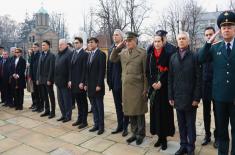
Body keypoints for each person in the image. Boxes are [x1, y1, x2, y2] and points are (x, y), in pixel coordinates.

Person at [199, 11, 235, 155]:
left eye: (230, 25)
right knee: (221, 130)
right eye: (223, 26)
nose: (226, 29)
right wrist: (209, 42)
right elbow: (200, 58)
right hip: (219, 97)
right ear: (220, 30)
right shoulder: (215, 47)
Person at [110, 32, 148, 145]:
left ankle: (141, 134)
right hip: (126, 87)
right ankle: (134, 133)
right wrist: (119, 47)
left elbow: (145, 73)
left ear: (135, 41)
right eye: (126, 41)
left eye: (130, 40)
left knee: (139, 112)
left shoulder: (142, 53)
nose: (128, 42)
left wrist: (145, 89)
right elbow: (112, 59)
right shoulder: (123, 52)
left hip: (138, 87)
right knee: (130, 111)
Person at [168, 32, 201, 155]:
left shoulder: (194, 56)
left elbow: (199, 78)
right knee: (181, 124)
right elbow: (170, 78)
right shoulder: (173, 57)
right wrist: (170, 96)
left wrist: (197, 97)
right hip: (177, 97)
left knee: (190, 124)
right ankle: (183, 145)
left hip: (190, 98)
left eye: (183, 38)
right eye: (179, 39)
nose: (181, 41)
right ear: (177, 41)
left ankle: (190, 146)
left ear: (188, 40)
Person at [146, 30, 176, 150]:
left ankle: (164, 139)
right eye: (155, 41)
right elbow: (147, 72)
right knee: (155, 115)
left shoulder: (168, 55)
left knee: (164, 115)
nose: (157, 44)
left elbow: (170, 72)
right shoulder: (150, 55)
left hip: (164, 90)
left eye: (159, 41)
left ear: (163, 42)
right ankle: (158, 136)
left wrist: (161, 83)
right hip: (154, 90)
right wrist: (152, 83)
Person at [107, 29, 129, 137]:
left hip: (122, 81)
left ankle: (125, 127)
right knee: (117, 106)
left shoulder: (125, 48)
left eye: (117, 35)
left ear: (121, 37)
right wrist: (108, 79)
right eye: (113, 35)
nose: (114, 37)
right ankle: (120, 125)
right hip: (114, 81)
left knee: (124, 106)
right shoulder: (111, 48)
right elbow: (109, 65)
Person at [200, 26, 218, 148]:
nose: (209, 36)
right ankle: (207, 135)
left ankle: (218, 136)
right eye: (206, 35)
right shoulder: (202, 49)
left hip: (217, 86)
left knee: (218, 114)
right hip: (205, 86)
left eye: (211, 34)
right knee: (206, 113)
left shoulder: (219, 47)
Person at [85, 37, 106, 135]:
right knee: (93, 106)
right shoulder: (89, 55)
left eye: (92, 42)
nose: (90, 44)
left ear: (97, 43)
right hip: (90, 86)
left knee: (99, 107)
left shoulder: (101, 54)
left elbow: (102, 71)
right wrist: (86, 84)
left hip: (97, 86)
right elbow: (87, 72)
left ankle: (101, 127)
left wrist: (99, 84)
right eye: (89, 43)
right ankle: (96, 124)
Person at [68, 37, 89, 128]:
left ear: (81, 43)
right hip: (74, 83)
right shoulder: (73, 53)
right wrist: (69, 80)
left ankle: (84, 121)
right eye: (74, 43)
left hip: (80, 83)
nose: (75, 44)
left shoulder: (84, 54)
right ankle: (79, 119)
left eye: (77, 43)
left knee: (83, 102)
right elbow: (70, 68)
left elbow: (85, 70)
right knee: (78, 103)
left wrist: (82, 82)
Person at [36, 40, 56, 119]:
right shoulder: (41, 55)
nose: (43, 46)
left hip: (48, 80)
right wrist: (38, 78)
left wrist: (49, 79)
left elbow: (52, 68)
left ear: (48, 46)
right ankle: (47, 110)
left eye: (44, 45)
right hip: (41, 79)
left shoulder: (51, 55)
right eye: (42, 45)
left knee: (51, 96)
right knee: (44, 96)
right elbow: (38, 68)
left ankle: (53, 112)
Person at [55, 39, 73, 123]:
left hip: (65, 82)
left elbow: (70, 68)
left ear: (66, 45)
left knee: (67, 100)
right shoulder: (58, 54)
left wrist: (70, 80)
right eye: (59, 44)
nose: (60, 46)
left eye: (61, 44)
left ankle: (68, 116)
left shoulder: (69, 54)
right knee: (60, 100)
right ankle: (63, 114)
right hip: (58, 81)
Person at [31, 42, 44, 113]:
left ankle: (41, 107)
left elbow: (40, 68)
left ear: (38, 48)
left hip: (38, 77)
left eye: (35, 47)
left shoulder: (40, 55)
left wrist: (38, 78)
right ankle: (37, 106)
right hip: (33, 77)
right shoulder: (33, 55)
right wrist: (31, 76)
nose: (34, 48)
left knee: (40, 93)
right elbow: (31, 66)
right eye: (33, 47)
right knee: (35, 93)